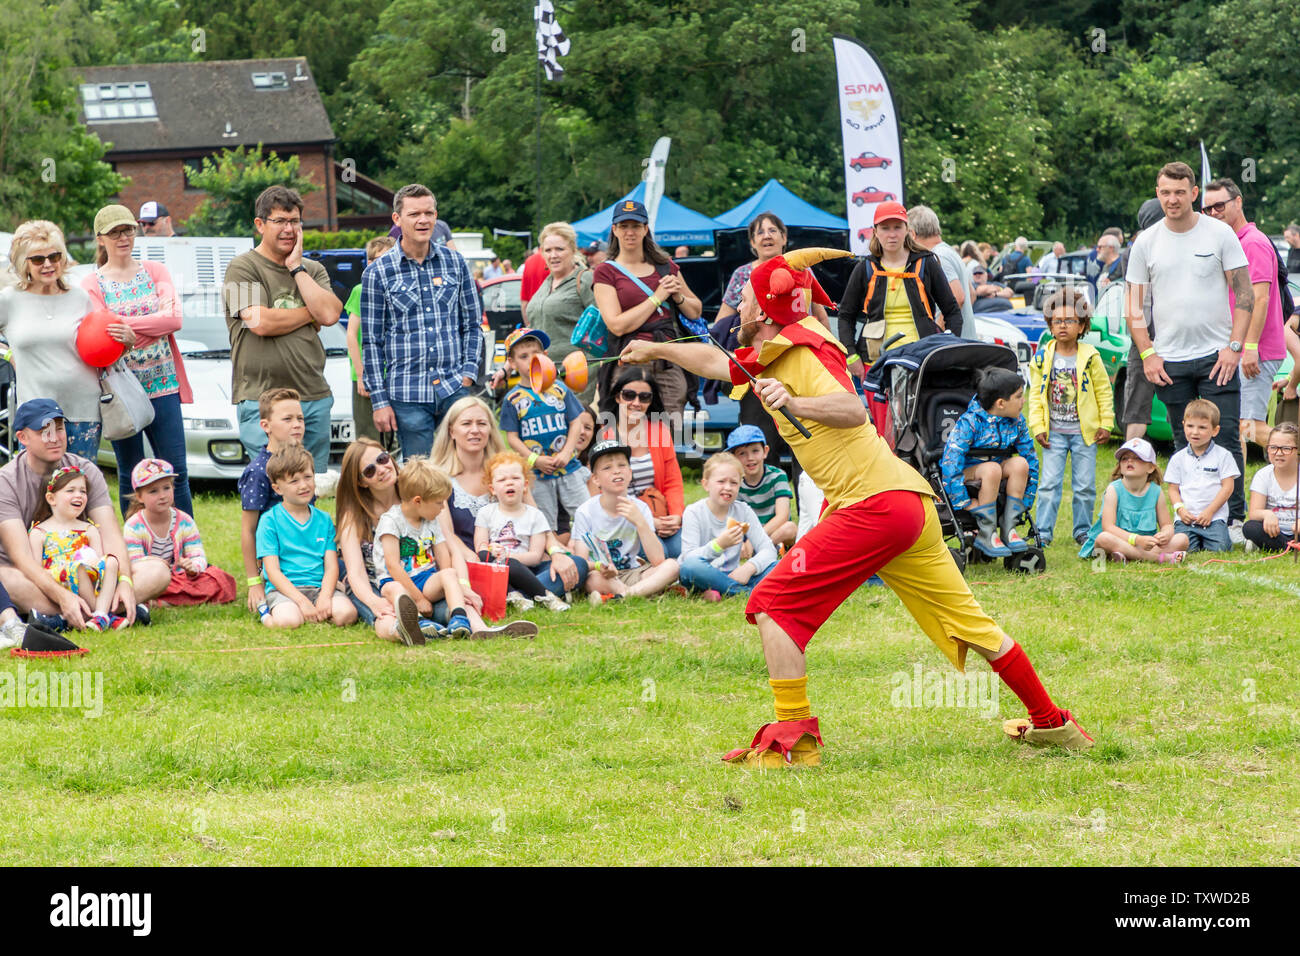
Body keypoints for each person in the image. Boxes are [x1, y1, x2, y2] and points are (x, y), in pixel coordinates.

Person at [620, 248, 1093, 766]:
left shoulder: (801, 355)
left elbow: (850, 408)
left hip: (872, 507)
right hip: (907, 505)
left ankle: (793, 740)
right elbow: (717, 360)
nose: (739, 305)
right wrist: (654, 349)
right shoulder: (781, 350)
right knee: (972, 623)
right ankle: (1054, 724)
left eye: (746, 296)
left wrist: (794, 403)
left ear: (763, 310)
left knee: (773, 604)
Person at [1126, 161, 1252, 527]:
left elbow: (1244, 294)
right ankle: (1190, 516)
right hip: (1170, 361)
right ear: (1157, 193)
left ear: (1194, 193)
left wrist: (1235, 346)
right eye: (1165, 192)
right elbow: (1133, 308)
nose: (1172, 199)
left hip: (1218, 357)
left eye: (1180, 192)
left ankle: (1234, 521)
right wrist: (1148, 354)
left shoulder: (1219, 234)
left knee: (1226, 437)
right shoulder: (1145, 243)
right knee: (1185, 442)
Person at [0, 399, 163, 628]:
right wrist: (62, 595)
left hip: (86, 573)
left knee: (157, 570)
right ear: (22, 438)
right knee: (6, 578)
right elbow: (23, 559)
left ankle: (66, 617)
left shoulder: (86, 470)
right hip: (34, 578)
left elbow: (111, 536)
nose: (55, 437)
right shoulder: (6, 481)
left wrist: (125, 581)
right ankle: (101, 613)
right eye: (43, 431)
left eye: (59, 428)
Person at [82, 204, 194, 518]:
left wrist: (128, 333)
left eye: (128, 229)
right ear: (100, 239)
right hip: (122, 392)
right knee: (132, 476)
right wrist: (145, 326)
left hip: (164, 385)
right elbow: (102, 336)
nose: (123, 237)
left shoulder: (155, 271)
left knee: (176, 473)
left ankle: (188, 547)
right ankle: (137, 549)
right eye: (115, 232)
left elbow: (173, 319)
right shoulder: (92, 283)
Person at [221, 185, 341, 472]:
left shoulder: (313, 270)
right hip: (261, 399)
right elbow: (258, 323)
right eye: (280, 221)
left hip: (312, 397)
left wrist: (297, 268)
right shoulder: (239, 268)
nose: (289, 229)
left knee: (311, 485)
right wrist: (309, 313)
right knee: (271, 484)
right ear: (260, 225)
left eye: (295, 221)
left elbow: (330, 314)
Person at [361, 184, 483, 458]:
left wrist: (468, 375)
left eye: (429, 213)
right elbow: (371, 343)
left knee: (463, 471)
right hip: (407, 394)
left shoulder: (456, 263)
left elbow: (472, 325)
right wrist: (380, 401)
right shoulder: (377, 273)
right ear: (397, 219)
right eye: (415, 214)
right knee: (421, 478)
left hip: (454, 388)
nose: (423, 220)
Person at [431, 395, 586, 601]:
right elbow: (448, 535)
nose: (475, 430)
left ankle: (513, 597)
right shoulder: (440, 479)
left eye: (482, 423)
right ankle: (537, 594)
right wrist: (477, 560)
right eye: (466, 424)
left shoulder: (509, 471)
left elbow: (537, 521)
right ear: (452, 431)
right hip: (473, 563)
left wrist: (556, 552)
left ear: (490, 430)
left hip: (520, 560)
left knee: (578, 564)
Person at [711, 213, 826, 481]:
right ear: (752, 242)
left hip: (800, 365)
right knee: (761, 440)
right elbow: (722, 324)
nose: (767, 236)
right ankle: (767, 510)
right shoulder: (742, 275)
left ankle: (809, 509)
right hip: (758, 370)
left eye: (773, 230)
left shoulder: (802, 271)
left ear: (784, 238)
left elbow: (819, 317)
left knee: (806, 442)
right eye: (760, 232)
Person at [375, 456, 531, 642]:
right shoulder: (391, 521)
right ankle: (416, 624)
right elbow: (392, 566)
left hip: (426, 579)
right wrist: (419, 599)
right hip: (397, 580)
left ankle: (461, 621)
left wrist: (455, 586)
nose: (442, 508)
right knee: (395, 588)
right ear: (418, 501)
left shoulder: (431, 520)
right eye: (439, 503)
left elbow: (444, 559)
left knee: (449, 574)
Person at [0, 222, 103, 458]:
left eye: (55, 256)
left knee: (78, 487)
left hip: (82, 410)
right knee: (38, 490)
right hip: (36, 415)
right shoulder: (9, 300)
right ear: (23, 263)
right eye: (37, 259)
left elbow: (98, 345)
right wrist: (7, 354)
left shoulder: (80, 298)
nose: (48, 264)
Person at [592, 199, 703, 416]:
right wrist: (657, 297)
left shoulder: (665, 266)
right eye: (624, 226)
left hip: (668, 360)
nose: (630, 232)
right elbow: (617, 325)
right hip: (629, 360)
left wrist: (677, 296)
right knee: (631, 430)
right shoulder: (605, 271)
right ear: (614, 230)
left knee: (671, 431)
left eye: (635, 226)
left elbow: (695, 310)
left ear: (645, 229)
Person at [1202, 177, 1285, 456]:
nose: (1214, 213)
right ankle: (1237, 495)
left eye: (1219, 206)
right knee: (1238, 425)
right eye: (1208, 209)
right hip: (1242, 347)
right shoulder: (1233, 242)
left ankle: (1290, 450)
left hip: (1256, 349)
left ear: (1238, 202)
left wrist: (1249, 347)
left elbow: (1260, 299)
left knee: (1250, 425)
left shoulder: (1253, 243)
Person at [1027, 288, 1114, 546]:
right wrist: (1037, 426)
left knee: (1084, 486)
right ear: (1050, 325)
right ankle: (1042, 532)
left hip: (1083, 434)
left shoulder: (1091, 357)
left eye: (1070, 320)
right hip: (1053, 433)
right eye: (1057, 321)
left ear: (1082, 325)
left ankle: (1083, 530)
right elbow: (1034, 396)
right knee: (1049, 484)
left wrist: (1106, 424)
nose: (1063, 325)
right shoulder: (1042, 357)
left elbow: (1103, 392)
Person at [839, 202, 962, 362]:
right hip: (875, 361)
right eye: (885, 228)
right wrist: (851, 356)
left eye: (897, 227)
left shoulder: (926, 263)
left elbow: (952, 311)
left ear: (908, 231)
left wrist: (948, 349)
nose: (892, 234)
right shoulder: (865, 268)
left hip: (922, 359)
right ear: (875, 232)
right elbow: (845, 316)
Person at [939, 367, 1038, 557]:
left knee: (1021, 464)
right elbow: (951, 462)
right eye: (1019, 397)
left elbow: (1031, 457)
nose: (1023, 401)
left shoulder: (1016, 422)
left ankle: (1009, 526)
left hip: (996, 470)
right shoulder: (970, 422)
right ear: (1001, 403)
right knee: (992, 469)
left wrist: (1027, 499)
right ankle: (987, 532)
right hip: (969, 473)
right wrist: (963, 501)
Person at [256, 445, 356, 629]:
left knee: (347, 615)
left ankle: (318, 609)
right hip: (285, 590)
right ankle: (265, 613)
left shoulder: (324, 520)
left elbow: (331, 566)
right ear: (278, 488)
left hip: (319, 587)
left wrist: (325, 597)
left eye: (308, 477)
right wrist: (302, 602)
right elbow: (273, 571)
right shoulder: (269, 521)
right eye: (294, 481)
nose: (304, 485)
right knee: (289, 621)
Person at [497, 329, 588, 531]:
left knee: (585, 515)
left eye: (536, 354)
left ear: (546, 357)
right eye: (523, 356)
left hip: (569, 467)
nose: (531, 360)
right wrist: (534, 460)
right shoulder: (513, 399)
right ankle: (551, 557)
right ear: (511, 363)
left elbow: (576, 422)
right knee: (544, 523)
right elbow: (512, 438)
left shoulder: (560, 389)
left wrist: (566, 453)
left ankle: (598, 555)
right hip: (538, 474)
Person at [571, 439, 681, 604]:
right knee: (591, 580)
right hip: (602, 575)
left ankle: (624, 595)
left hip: (633, 572)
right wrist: (600, 567)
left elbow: (658, 559)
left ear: (630, 472)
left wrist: (640, 523)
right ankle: (641, 592)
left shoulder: (640, 507)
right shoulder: (585, 511)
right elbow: (581, 561)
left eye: (622, 465)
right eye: (607, 468)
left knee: (672, 566)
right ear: (595, 479)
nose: (616, 471)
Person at [123, 458, 236, 605]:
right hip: (150, 580)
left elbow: (198, 555)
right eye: (153, 491)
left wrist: (192, 567)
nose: (162, 495)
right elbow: (135, 564)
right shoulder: (133, 526)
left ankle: (163, 601)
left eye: (166, 488)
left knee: (218, 578)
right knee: (137, 585)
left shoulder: (184, 520)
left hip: (180, 578)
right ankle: (161, 599)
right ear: (139, 497)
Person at [28, 465, 122, 631]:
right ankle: (101, 615)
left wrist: (94, 563)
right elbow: (35, 570)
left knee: (111, 561)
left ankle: (100, 614)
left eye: (83, 491)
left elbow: (99, 562)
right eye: (70, 490)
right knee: (77, 568)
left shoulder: (89, 529)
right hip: (58, 580)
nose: (78, 495)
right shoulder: (39, 532)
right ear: (51, 499)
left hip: (88, 577)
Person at [475, 452, 571, 612]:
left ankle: (532, 596)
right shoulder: (485, 513)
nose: (509, 483)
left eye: (515, 478)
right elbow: (480, 546)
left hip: (525, 569)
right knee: (487, 559)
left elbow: (535, 557)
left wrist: (508, 557)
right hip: (494, 565)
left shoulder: (535, 515)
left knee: (509, 564)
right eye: (502, 480)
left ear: (525, 485)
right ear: (492, 489)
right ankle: (527, 595)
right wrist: (491, 550)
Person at [239, 387, 305, 617]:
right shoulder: (258, 471)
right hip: (275, 557)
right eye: (287, 419)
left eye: (300, 418)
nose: (296, 424)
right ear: (265, 426)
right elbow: (248, 530)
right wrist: (254, 582)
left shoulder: (304, 462)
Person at [678, 452, 777, 601]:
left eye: (734, 483)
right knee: (690, 566)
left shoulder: (743, 510)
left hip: (734, 575)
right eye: (721, 481)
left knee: (779, 566)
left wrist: (749, 567)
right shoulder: (694, 512)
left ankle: (721, 591)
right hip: (703, 574)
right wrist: (719, 545)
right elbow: (689, 557)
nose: (728, 487)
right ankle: (746, 593)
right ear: (706, 484)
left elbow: (768, 549)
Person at [608, 367, 684, 558]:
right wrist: (649, 522)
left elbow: (672, 482)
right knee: (663, 554)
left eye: (644, 397)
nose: (636, 403)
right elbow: (607, 496)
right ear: (617, 397)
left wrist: (675, 516)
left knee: (681, 550)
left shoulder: (660, 431)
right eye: (629, 395)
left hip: (662, 516)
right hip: (626, 521)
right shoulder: (606, 435)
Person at [334, 439, 404, 642]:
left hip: (411, 578)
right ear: (361, 482)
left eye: (383, 459)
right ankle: (404, 632)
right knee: (385, 615)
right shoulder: (354, 515)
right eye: (370, 470)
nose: (382, 469)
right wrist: (373, 601)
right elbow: (355, 572)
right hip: (370, 584)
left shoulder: (412, 495)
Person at [1077, 437, 1188, 564]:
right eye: (1124, 458)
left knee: (1182, 539)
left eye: (1137, 458)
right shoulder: (1113, 489)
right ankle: (1160, 558)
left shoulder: (1156, 491)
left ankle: (1127, 556)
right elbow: (1108, 527)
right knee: (1103, 538)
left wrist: (1166, 534)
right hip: (1119, 540)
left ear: (1151, 467)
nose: (1129, 460)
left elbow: (1167, 525)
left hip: (1146, 543)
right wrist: (1136, 539)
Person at [523, 222, 597, 403]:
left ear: (572, 249)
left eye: (559, 249)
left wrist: (592, 375)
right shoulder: (546, 283)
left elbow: (602, 331)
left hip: (577, 380)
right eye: (547, 250)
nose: (553, 255)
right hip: (546, 378)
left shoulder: (585, 279)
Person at [1165, 399, 1239, 553]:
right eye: (1190, 426)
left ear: (1215, 430)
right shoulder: (1178, 458)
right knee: (1183, 548)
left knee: (1221, 549)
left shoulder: (1223, 455)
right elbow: (1173, 489)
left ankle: (1220, 534)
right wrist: (1180, 510)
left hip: (1213, 518)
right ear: (1183, 424)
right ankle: (1193, 539)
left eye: (1202, 427)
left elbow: (1228, 486)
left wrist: (1210, 512)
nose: (1195, 432)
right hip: (1186, 519)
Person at [343, 235, 397, 445]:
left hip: (394, 375)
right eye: (373, 260)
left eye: (384, 259)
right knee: (368, 438)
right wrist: (360, 373)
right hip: (366, 374)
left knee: (395, 437)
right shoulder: (360, 290)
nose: (377, 265)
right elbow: (351, 335)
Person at [1121, 199, 1165, 441]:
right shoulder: (1138, 250)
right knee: (1138, 402)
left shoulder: (1134, 250)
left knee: (1177, 402)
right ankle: (1129, 459)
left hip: (1156, 334)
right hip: (1147, 336)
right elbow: (1137, 300)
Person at [909, 204, 978, 341]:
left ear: (912, 234)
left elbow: (958, 298)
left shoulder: (938, 256)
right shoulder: (949, 252)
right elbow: (972, 294)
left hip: (952, 345)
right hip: (965, 341)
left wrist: (937, 335)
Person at [725, 424, 798, 549]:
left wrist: (757, 539)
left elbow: (782, 516)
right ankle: (756, 549)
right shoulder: (733, 481)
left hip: (772, 532)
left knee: (790, 528)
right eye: (742, 453)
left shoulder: (778, 476)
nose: (750, 458)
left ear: (765, 451)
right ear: (734, 458)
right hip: (746, 533)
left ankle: (761, 547)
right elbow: (733, 517)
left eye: (755, 451)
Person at [1244, 423, 1300, 551]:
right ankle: (1289, 546)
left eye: (1286, 448)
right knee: (1250, 527)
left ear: (1297, 450)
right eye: (1273, 447)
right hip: (1274, 531)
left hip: (1297, 530)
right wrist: (1267, 514)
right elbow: (1254, 513)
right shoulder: (1263, 475)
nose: (1278, 453)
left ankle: (1282, 546)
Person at [518, 248, 548, 321]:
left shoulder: (529, 261)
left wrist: (528, 325)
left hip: (534, 318)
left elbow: (524, 301)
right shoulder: (559, 262)